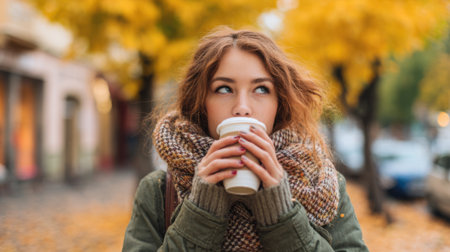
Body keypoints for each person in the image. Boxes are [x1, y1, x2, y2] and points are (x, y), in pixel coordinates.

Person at [122, 27, 369, 251]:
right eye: (224, 89)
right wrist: (200, 211)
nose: (242, 108)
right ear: (201, 103)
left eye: (261, 89)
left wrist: (281, 213)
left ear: (279, 103)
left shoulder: (322, 184)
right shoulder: (159, 191)